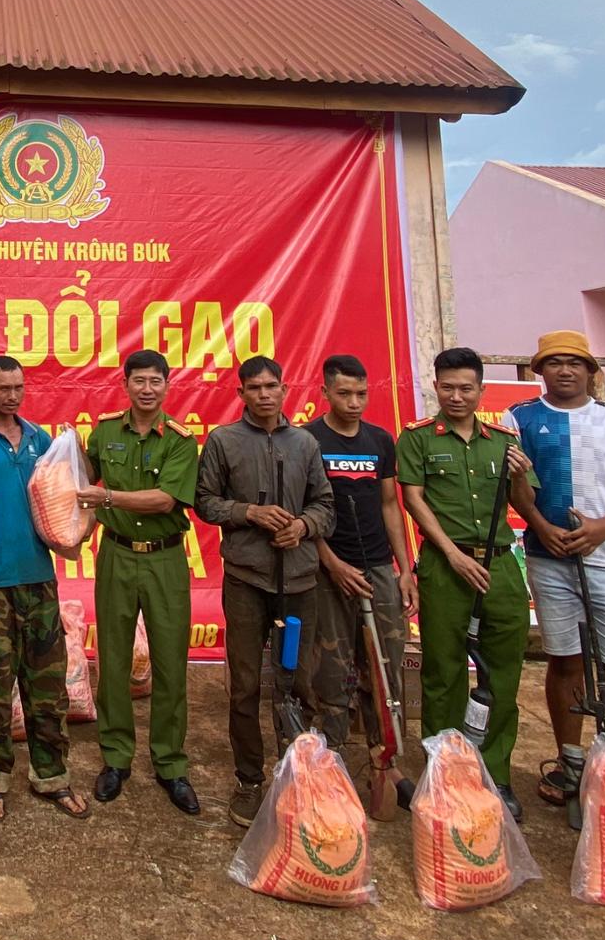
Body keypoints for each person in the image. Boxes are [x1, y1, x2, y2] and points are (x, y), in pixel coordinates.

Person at [504, 330, 605, 809]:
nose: (564, 370)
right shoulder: (520, 419)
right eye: (554, 363)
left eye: (575, 362)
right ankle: (570, 759)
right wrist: (540, 526)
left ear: (592, 371)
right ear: (540, 371)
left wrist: (603, 527)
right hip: (548, 560)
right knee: (564, 661)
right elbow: (514, 485)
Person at [0, 356, 90, 823]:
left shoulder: (40, 440)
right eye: (3, 388)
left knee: (47, 684)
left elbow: (64, 501)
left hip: (39, 581)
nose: (12, 395)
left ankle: (52, 775)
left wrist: (77, 450)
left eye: (19, 388)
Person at [194, 356, 334, 828]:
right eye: (254, 388)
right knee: (246, 686)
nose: (264, 395)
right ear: (241, 394)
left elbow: (325, 506)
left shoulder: (306, 443)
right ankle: (250, 779)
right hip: (247, 581)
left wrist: (302, 524)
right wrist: (248, 514)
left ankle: (298, 771)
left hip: (298, 582)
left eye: (271, 386)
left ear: (285, 389)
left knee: (298, 683)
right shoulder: (223, 441)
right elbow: (205, 502)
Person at [397, 346, 532, 821]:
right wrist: (451, 555)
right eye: (448, 387)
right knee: (444, 671)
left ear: (481, 390)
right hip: (444, 564)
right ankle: (443, 765)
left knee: (503, 672)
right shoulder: (417, 438)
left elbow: (523, 500)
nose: (457, 396)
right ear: (435, 386)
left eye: (466, 388)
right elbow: (413, 498)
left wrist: (520, 478)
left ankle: (495, 771)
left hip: (499, 566)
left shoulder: (504, 440)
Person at [77, 349, 201, 815]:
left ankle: (170, 763)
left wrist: (105, 496)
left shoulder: (181, 440)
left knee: (170, 661)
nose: (147, 389)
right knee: (112, 659)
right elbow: (82, 481)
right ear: (125, 384)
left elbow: (166, 500)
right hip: (116, 554)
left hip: (165, 561)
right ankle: (115, 758)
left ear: (167, 386)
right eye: (139, 381)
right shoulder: (105, 432)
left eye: (156, 382)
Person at [304, 354, 413, 804]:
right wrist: (331, 563)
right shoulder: (307, 441)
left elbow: (391, 505)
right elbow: (302, 514)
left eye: (361, 394)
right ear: (325, 392)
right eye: (344, 393)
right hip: (328, 571)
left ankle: (385, 761)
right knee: (331, 671)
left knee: (386, 666)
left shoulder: (380, 440)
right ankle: (332, 761)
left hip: (378, 568)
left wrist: (404, 568)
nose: (354, 402)